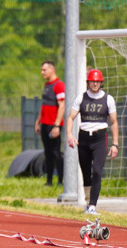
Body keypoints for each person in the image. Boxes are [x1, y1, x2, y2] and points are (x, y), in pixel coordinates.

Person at [66, 69, 119, 216]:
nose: (95, 84)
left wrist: (115, 144)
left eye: (97, 81)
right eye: (92, 81)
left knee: (96, 170)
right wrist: (70, 135)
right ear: (87, 82)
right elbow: (70, 118)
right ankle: (88, 202)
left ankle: (93, 205)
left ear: (101, 83)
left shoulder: (108, 99)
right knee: (85, 171)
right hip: (83, 138)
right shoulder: (81, 98)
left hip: (100, 138)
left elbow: (114, 122)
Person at [34, 60, 65, 187]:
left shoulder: (59, 85)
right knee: (47, 153)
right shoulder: (47, 85)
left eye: (44, 70)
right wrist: (38, 122)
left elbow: (62, 105)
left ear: (52, 69)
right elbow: (44, 106)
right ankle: (49, 181)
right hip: (45, 124)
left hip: (54, 125)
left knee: (56, 152)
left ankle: (60, 181)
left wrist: (56, 125)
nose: (42, 72)